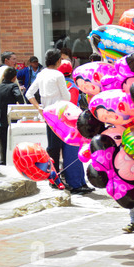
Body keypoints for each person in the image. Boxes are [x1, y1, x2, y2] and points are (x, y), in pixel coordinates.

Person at [26, 49, 71, 188]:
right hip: (59, 115)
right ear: (58, 61)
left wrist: (38, 107)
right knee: (59, 147)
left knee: (52, 147)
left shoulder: (41, 74)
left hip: (46, 114)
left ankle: (53, 175)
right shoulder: (58, 75)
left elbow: (29, 94)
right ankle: (56, 177)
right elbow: (67, 97)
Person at [56, 61, 92, 194]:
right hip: (71, 122)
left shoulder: (59, 84)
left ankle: (79, 182)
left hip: (59, 121)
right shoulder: (72, 85)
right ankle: (77, 183)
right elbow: (71, 105)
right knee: (73, 154)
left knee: (70, 153)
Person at [0, 67, 25, 165]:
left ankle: (3, 159)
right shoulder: (13, 86)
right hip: (10, 118)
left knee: (2, 140)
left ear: (4, 76)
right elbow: (19, 98)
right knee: (13, 140)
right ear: (14, 78)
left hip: (0, 118)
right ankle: (14, 159)